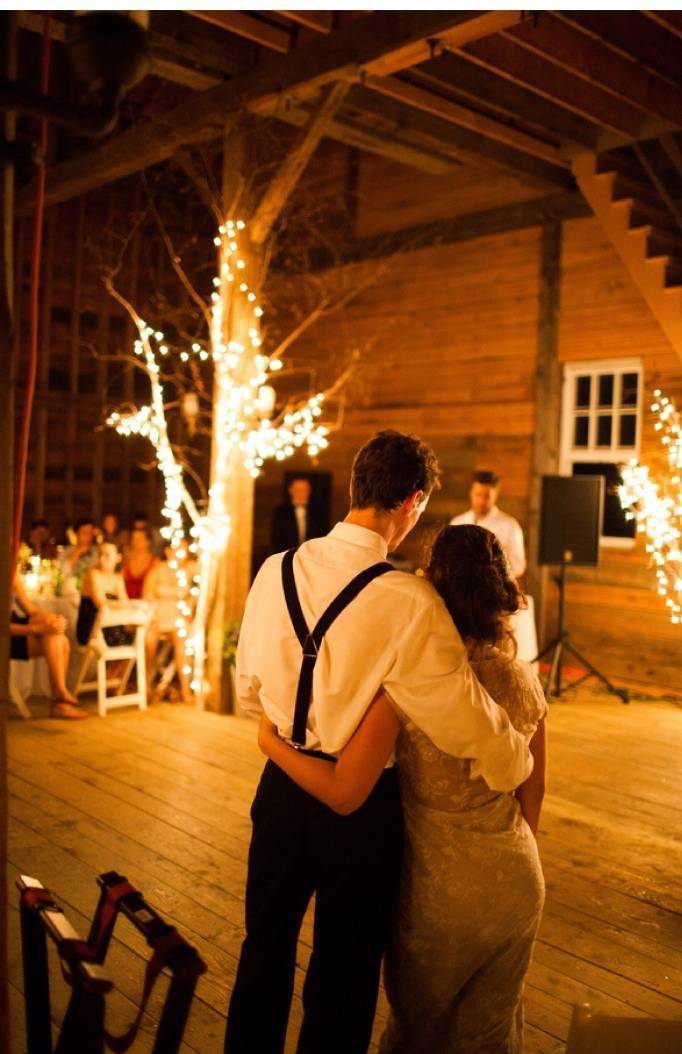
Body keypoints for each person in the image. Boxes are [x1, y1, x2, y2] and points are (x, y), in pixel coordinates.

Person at [225, 431, 532, 1054]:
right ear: (412, 502)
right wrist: (516, 758)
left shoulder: (273, 570)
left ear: (353, 489)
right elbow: (467, 721)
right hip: (361, 816)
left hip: (280, 791)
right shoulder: (409, 603)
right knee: (343, 979)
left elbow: (249, 694)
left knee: (262, 954)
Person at [10, 572, 87, 719]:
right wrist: (38, 629)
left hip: (17, 624)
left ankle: (60, 695)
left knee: (57, 636)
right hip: (7, 634)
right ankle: (60, 700)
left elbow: (31, 609)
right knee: (58, 639)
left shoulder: (11, 572)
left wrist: (51, 620)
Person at [451, 470, 526, 581]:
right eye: (478, 495)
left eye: (486, 496)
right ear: (470, 493)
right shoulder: (457, 523)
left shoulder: (510, 526)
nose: (481, 501)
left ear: (495, 495)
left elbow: (518, 566)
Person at [143, 546, 195, 704]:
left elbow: (194, 594)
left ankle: (185, 689)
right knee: (149, 641)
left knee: (182, 642)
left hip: (177, 616)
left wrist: (189, 606)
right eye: (178, 548)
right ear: (168, 550)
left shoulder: (187, 571)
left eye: (185, 549)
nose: (182, 553)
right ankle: (146, 685)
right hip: (157, 615)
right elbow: (147, 595)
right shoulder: (157, 570)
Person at [76, 542, 132, 648]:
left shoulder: (117, 578)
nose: (101, 559)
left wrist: (130, 606)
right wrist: (129, 605)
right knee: (123, 641)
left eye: (107, 555)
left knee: (134, 637)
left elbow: (125, 602)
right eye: (100, 554)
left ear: (118, 558)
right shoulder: (93, 573)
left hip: (111, 627)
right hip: (92, 629)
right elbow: (100, 603)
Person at [270, 476, 328, 553]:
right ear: (290, 490)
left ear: (309, 490)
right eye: (297, 490)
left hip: (311, 555)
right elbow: (276, 538)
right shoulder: (281, 512)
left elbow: (322, 536)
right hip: (287, 555)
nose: (301, 493)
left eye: (304, 490)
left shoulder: (318, 512)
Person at [121, 526, 157, 599]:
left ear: (148, 542)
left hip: (147, 604)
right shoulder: (126, 561)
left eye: (139, 539)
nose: (135, 542)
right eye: (133, 538)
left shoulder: (155, 563)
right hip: (127, 604)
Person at [60, 518, 97, 584]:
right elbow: (61, 573)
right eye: (85, 533)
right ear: (77, 534)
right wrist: (77, 552)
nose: (89, 537)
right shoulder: (66, 551)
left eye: (91, 533)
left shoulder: (96, 552)